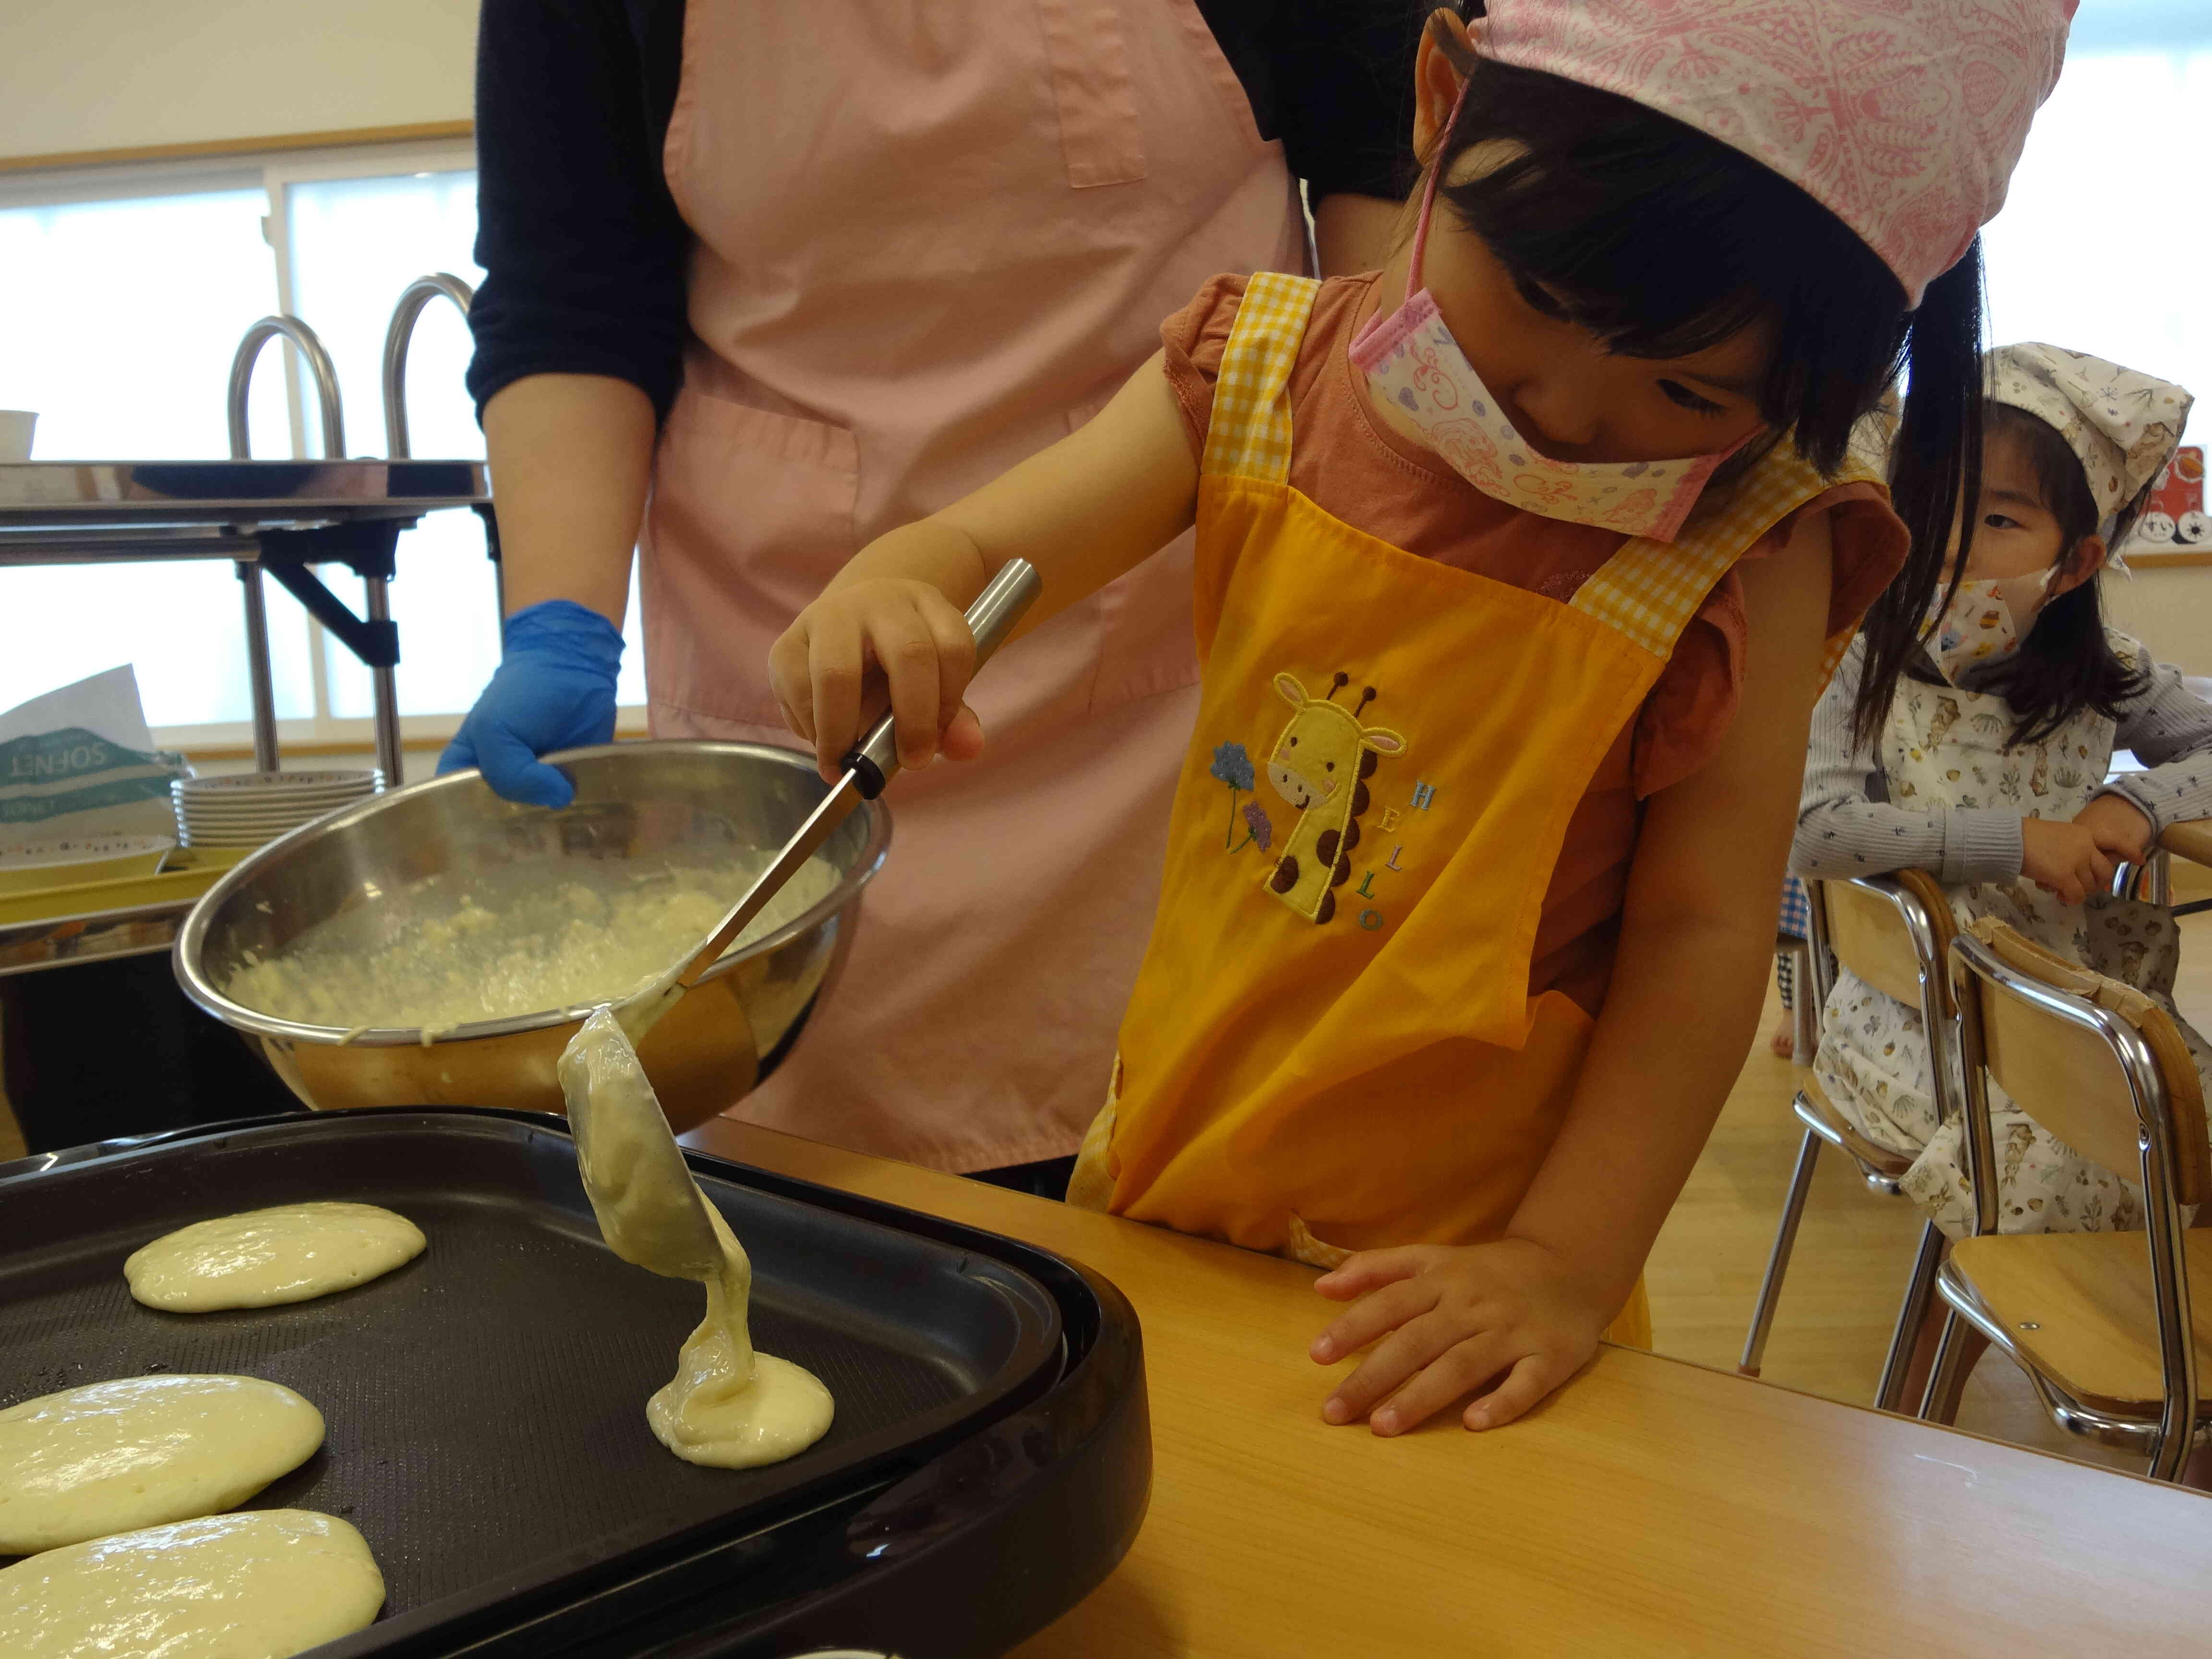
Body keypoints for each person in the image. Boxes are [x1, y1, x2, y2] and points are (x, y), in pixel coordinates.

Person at [771, 0, 2073, 1434]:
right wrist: (892, 590)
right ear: (1441, 101)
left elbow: (1703, 937)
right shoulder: (1259, 369)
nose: (1560, 408)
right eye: (1534, 291)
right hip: (1169, 1170)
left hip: (1471, 1282)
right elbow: (969, 557)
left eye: (1690, 386)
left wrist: (1561, 1268)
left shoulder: (1753, 546)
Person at [447, 0, 1428, 1194]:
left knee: (1194, 1223)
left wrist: (1410, 555)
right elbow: (571, 288)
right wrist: (562, 623)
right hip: (803, 676)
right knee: (843, 1256)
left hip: (1187, 646)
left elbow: (1396, 187)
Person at [1797, 343, 2212, 1238]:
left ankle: (2167, 1352)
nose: (1949, 542)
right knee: (2145, 1148)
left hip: (2071, 1020)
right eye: (1931, 503)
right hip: (1918, 1046)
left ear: (2075, 562)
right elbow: (1816, 831)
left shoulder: (2101, 674)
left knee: (2188, 1125)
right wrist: (2020, 839)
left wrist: (2133, 803)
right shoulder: (1854, 651)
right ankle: (2119, 1346)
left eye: (1996, 520)